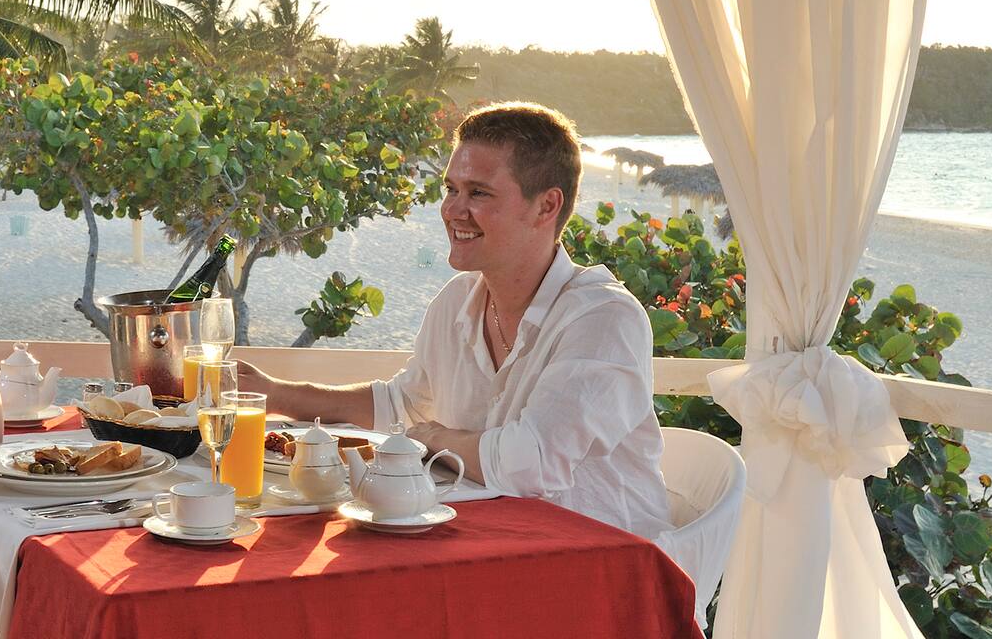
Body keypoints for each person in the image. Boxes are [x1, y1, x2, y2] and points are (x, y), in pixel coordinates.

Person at [239, 102, 673, 541]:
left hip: (604, 560)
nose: (452, 210)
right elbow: (401, 407)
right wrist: (274, 393)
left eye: (478, 193)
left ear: (546, 206)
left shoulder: (602, 319)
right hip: (492, 544)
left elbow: (529, 463)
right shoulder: (457, 302)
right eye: (451, 189)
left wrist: (432, 436)